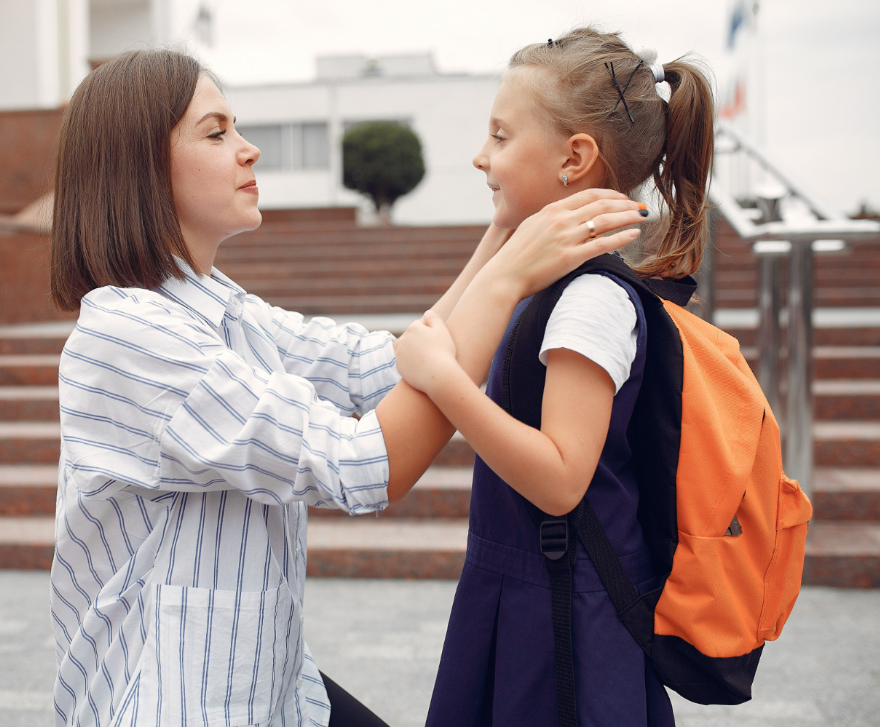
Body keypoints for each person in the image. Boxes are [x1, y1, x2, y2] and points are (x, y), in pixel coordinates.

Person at [47, 49, 646, 727]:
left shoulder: (222, 306)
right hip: (179, 703)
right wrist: (507, 279)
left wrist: (506, 230)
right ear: (139, 168)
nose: (250, 151)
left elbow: (381, 369)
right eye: (216, 133)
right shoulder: (129, 336)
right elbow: (364, 462)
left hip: (275, 690)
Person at [395, 29, 715, 727]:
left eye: (502, 137)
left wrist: (448, 384)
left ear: (575, 157)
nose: (482, 156)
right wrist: (503, 229)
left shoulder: (590, 301)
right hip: (526, 593)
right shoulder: (546, 285)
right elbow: (429, 339)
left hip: (564, 615)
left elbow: (562, 476)